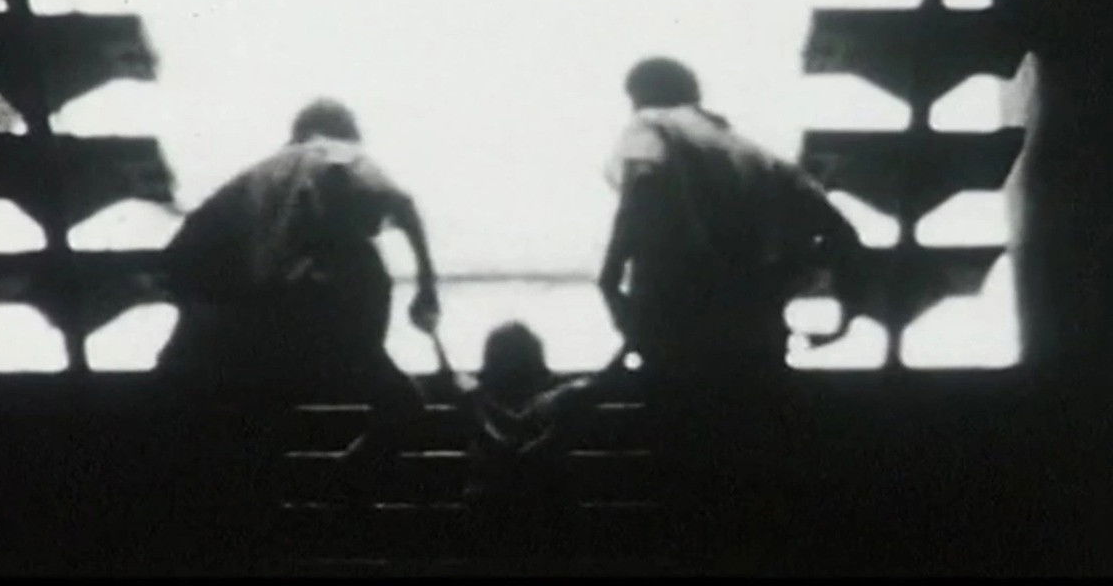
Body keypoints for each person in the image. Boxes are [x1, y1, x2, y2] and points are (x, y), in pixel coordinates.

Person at [596, 57, 866, 525]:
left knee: (683, 493)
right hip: (757, 342)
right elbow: (841, 233)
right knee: (751, 494)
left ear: (639, 96)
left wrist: (610, 277)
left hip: (679, 340)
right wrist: (843, 317)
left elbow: (643, 183)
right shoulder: (756, 153)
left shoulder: (651, 125)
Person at [158, 99, 440, 480]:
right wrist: (426, 285)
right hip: (340, 288)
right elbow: (401, 203)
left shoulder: (252, 176)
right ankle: (352, 467)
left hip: (269, 305)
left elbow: (187, 246)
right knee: (381, 386)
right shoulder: (338, 151)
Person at [430, 321, 630, 557]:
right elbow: (600, 382)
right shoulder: (557, 399)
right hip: (551, 509)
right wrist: (631, 342)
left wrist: (434, 336)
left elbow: (451, 379)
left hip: (489, 509)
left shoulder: (478, 398)